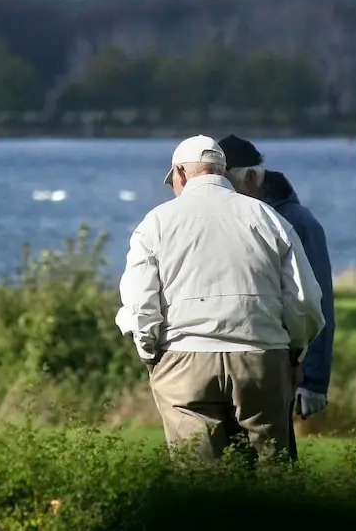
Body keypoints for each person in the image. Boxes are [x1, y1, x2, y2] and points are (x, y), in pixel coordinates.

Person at [116, 135, 325, 461]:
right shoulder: (269, 218)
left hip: (184, 359)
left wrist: (149, 353)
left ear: (181, 175)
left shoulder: (155, 223)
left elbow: (141, 304)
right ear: (223, 171)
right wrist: (294, 351)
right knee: (274, 477)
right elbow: (305, 301)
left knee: (199, 484)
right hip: (262, 356)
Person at [218, 134, 335, 460]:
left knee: (273, 464)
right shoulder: (241, 218)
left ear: (252, 178)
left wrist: (313, 381)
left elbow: (317, 301)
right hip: (236, 363)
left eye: (225, 184)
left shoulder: (297, 223)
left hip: (281, 365)